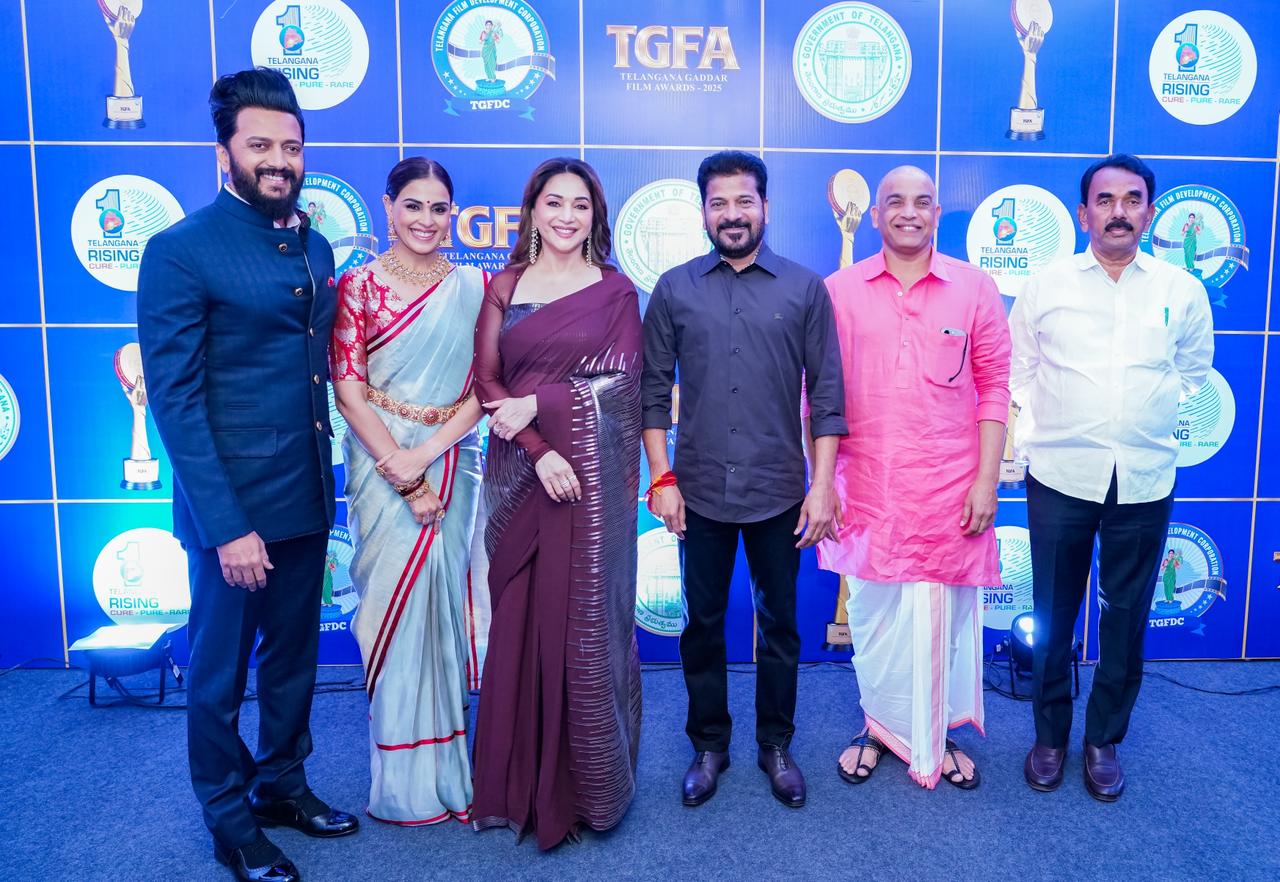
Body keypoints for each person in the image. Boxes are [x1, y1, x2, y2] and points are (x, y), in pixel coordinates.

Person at [137, 68, 357, 882]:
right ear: (223, 153)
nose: (279, 160)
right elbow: (176, 401)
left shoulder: (315, 245)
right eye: (260, 145)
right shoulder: (180, 250)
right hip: (231, 508)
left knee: (294, 659)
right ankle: (230, 822)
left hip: (306, 493)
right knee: (219, 675)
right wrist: (228, 526)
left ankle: (282, 785)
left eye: (291, 147)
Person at [642, 151, 846, 810]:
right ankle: (709, 745)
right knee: (701, 623)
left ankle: (775, 745)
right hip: (698, 490)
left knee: (779, 623)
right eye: (719, 203)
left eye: (744, 201)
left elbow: (829, 397)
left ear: (765, 207)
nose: (732, 214)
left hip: (779, 491)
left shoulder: (805, 289)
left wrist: (822, 486)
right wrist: (662, 477)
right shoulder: (674, 289)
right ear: (704, 212)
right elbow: (652, 393)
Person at [1011, 153, 1213, 801]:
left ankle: (1103, 739)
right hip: (1060, 475)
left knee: (1125, 618)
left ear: (1149, 214)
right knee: (1053, 611)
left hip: (1145, 479)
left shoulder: (1181, 290)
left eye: (1131, 200)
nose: (1118, 212)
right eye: (1105, 200)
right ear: (1083, 214)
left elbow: (1193, 372)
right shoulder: (1046, 286)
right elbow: (1018, 371)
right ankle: (1049, 736)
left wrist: (1141, 419)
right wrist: (1050, 430)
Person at [817, 166, 1011, 790]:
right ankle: (880, 727)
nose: (909, 211)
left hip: (949, 487)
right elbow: (815, 396)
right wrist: (821, 483)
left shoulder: (974, 288)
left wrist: (986, 482)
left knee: (941, 623)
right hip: (866, 487)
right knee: (875, 622)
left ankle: (936, 734)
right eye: (894, 201)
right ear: (875, 215)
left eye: (922, 201)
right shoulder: (838, 290)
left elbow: (994, 388)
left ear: (937, 214)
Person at [470, 158, 643, 849]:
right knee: (518, 620)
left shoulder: (614, 290)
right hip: (522, 473)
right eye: (554, 202)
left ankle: (585, 792)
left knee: (583, 626)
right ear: (533, 211)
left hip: (588, 487)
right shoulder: (505, 285)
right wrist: (538, 446)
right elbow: (486, 380)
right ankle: (516, 786)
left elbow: (623, 383)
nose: (567, 216)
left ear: (595, 216)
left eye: (580, 205)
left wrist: (540, 402)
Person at [331, 157, 486, 827]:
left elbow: (486, 387)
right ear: (388, 207)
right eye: (413, 205)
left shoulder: (475, 287)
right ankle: (402, 780)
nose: (427, 219)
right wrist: (401, 469)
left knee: (443, 610)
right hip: (378, 465)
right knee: (391, 616)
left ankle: (450, 772)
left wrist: (424, 457)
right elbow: (348, 390)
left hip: (451, 458)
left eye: (439, 207)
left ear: (453, 214)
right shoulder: (358, 286)